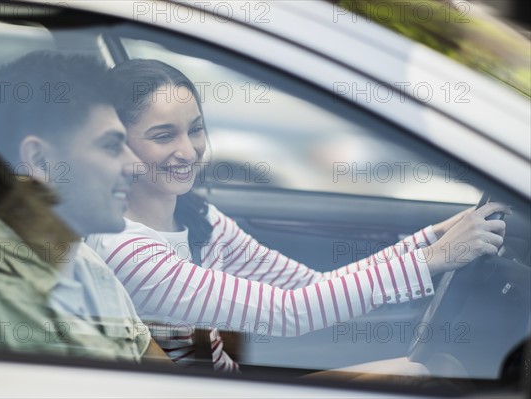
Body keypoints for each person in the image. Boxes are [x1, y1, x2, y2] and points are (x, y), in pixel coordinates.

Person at [87, 59, 508, 371]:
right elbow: (291, 311)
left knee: (431, 374)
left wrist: (431, 239)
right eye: (163, 136)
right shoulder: (128, 251)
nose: (189, 150)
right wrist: (432, 260)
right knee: (426, 376)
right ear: (118, 145)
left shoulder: (200, 217)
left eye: (195, 129)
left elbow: (311, 286)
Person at [0, 52, 170, 364]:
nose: (135, 165)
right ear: (41, 162)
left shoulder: (81, 258)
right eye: (112, 146)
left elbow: (158, 367)